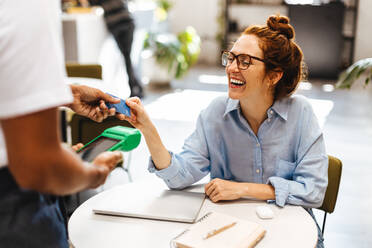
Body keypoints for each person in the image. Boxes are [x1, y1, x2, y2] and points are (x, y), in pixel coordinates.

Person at [122, 15, 328, 248]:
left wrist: (241, 189)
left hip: (291, 231)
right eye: (230, 58)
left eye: (245, 61)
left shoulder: (301, 115)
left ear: (274, 75)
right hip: (231, 231)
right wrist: (148, 129)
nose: (231, 68)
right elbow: (180, 176)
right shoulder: (215, 113)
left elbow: (313, 192)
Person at [0, 0, 123, 247]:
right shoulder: (28, 6)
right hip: (13, 211)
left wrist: (63, 94)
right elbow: (42, 167)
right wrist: (94, 174)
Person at [81, 0, 144, 98]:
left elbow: (89, 4)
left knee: (126, 57)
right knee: (127, 57)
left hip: (117, 25)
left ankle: (135, 88)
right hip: (126, 22)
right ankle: (137, 87)